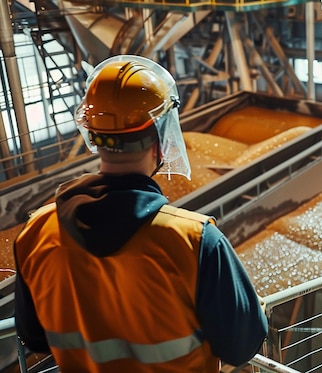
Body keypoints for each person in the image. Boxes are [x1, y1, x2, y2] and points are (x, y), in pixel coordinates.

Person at [13, 55, 268, 372]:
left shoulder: (37, 232)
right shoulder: (195, 241)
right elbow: (242, 344)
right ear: (160, 139)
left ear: (93, 136)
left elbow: (33, 337)